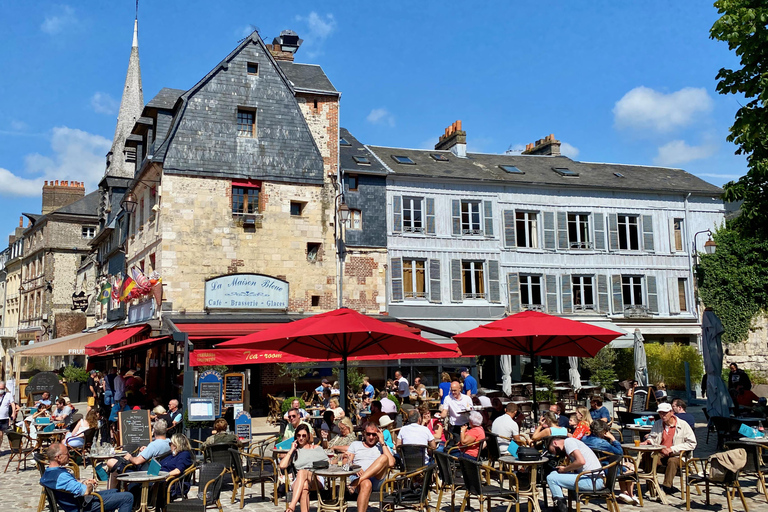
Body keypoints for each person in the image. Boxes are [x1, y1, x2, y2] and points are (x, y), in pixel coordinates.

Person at [40, 443, 134, 512]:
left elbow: (71, 484)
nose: (69, 456)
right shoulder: (61, 476)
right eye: (67, 454)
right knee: (127, 497)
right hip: (83, 506)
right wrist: (90, 484)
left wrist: (84, 481)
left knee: (115, 491)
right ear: (58, 457)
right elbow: (85, 491)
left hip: (80, 501)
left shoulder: (49, 472)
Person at [642, 402, 697, 495]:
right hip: (661, 453)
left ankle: (666, 487)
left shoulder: (683, 425)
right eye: (660, 413)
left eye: (665, 413)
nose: (662, 415)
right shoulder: (658, 424)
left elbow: (692, 443)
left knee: (672, 461)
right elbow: (653, 437)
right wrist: (649, 441)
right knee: (647, 457)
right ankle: (650, 484)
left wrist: (672, 449)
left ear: (671, 412)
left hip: (679, 456)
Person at [582, 421, 639, 505]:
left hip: (590, 467)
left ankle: (624, 493)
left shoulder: (584, 439)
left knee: (621, 465)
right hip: (606, 468)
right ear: (602, 432)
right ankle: (631, 495)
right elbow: (619, 453)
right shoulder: (603, 443)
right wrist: (613, 439)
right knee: (630, 466)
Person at [345, 422, 396, 512]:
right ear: (364, 433)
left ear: (378, 435)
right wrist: (355, 467)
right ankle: (359, 481)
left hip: (377, 478)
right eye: (368, 434)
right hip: (358, 475)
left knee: (384, 457)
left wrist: (382, 442)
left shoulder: (382, 446)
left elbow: (391, 463)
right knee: (366, 483)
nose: (371, 437)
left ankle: (356, 482)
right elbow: (346, 461)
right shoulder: (356, 444)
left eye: (374, 434)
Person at [132, 433, 194, 508]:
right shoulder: (172, 455)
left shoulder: (184, 455)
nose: (169, 445)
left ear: (176, 445)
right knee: (135, 485)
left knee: (139, 488)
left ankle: (140, 507)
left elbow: (177, 471)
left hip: (168, 482)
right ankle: (137, 507)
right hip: (158, 478)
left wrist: (163, 476)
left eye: (170, 443)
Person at [106, 419, 172, 487]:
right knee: (114, 464)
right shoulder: (169, 442)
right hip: (154, 470)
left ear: (153, 430)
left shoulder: (154, 445)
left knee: (111, 462)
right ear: (166, 430)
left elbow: (137, 461)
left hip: (140, 471)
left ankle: (112, 491)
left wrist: (129, 457)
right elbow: (157, 451)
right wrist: (146, 450)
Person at [546, 436, 604, 512]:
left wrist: (565, 469)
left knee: (551, 479)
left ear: (555, 443)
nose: (557, 453)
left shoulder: (568, 442)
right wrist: (564, 469)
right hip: (592, 478)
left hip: (593, 480)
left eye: (554, 451)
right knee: (554, 474)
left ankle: (561, 509)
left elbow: (581, 461)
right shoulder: (572, 442)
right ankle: (560, 504)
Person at [279, 423, 327, 512]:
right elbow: (282, 465)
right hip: (299, 481)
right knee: (304, 486)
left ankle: (291, 506)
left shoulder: (316, 448)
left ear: (308, 436)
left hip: (315, 478)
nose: (301, 438)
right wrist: (291, 450)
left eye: (304, 435)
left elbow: (327, 463)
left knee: (302, 471)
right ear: (296, 436)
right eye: (299, 435)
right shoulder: (295, 451)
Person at [441, 380, 473, 448]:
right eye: (452, 390)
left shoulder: (467, 398)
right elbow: (445, 410)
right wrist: (441, 415)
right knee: (457, 445)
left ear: (459, 389)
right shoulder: (448, 398)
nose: (453, 392)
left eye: (455, 390)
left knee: (466, 444)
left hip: (465, 424)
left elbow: (471, 410)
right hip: (454, 425)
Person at [0, 380, 18, 448]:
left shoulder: (8, 395)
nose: (1, 390)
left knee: (1, 435)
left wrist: (14, 412)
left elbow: (13, 404)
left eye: (2, 389)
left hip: (4, 418)